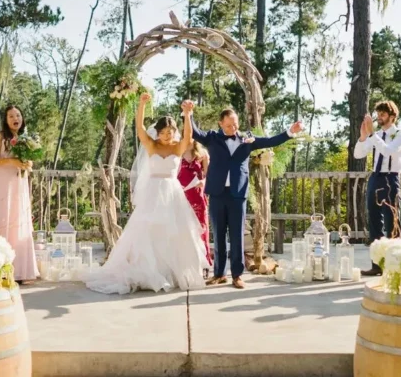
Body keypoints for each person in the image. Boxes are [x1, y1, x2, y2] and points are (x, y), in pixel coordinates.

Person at [85, 94, 207, 294]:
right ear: (157, 133)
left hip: (172, 193)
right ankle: (148, 272)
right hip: (153, 192)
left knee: (175, 231)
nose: (168, 135)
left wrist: (187, 115)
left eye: (171, 131)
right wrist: (142, 105)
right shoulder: (152, 146)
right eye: (164, 132)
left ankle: (172, 272)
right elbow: (140, 129)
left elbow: (188, 136)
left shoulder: (178, 147)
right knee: (148, 230)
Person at [187, 100, 302, 289]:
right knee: (219, 234)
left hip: (237, 194)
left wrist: (290, 132)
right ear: (221, 124)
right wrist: (188, 115)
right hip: (217, 192)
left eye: (236, 124)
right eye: (229, 125)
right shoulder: (213, 138)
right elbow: (195, 133)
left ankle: (237, 275)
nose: (234, 128)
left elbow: (270, 140)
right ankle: (219, 274)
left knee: (237, 235)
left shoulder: (247, 138)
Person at [0, 104, 38, 283]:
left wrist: (27, 164)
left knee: (18, 220)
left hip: (19, 182)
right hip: (2, 183)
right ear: (6, 120)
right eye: (11, 116)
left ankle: (20, 270)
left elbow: (26, 160)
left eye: (18, 115)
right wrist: (11, 161)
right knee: (3, 219)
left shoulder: (25, 138)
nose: (16, 119)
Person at [355, 101, 401, 276]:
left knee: (392, 221)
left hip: (391, 178)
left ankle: (396, 266)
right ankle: (377, 265)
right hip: (375, 178)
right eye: (378, 113)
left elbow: (387, 151)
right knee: (374, 221)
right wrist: (363, 137)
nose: (379, 117)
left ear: (392, 117)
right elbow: (358, 154)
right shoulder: (375, 135)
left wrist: (371, 136)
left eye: (383, 114)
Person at [178, 140, 212, 268]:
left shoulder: (203, 153)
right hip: (181, 196)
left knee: (201, 228)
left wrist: (204, 182)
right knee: (183, 229)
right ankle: (185, 264)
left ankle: (204, 263)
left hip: (197, 195)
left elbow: (209, 175)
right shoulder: (178, 151)